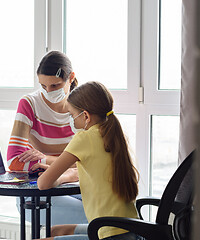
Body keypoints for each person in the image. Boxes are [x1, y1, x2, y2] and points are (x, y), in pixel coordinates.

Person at [36, 81, 143, 240]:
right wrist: (65, 174)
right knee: (56, 232)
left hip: (110, 235)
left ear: (85, 115)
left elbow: (43, 183)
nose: (71, 120)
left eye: (72, 115)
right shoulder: (112, 136)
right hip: (130, 229)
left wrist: (60, 177)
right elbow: (83, 167)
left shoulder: (84, 138)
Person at [7, 51, 88, 226]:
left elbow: (95, 161)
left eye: (55, 85)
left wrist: (45, 160)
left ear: (71, 78)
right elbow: (14, 161)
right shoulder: (30, 104)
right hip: (40, 188)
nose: (48, 91)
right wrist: (73, 165)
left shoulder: (84, 108)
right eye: (44, 86)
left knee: (112, 206)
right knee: (96, 216)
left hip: (76, 183)